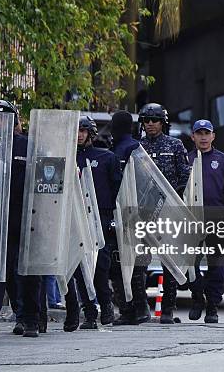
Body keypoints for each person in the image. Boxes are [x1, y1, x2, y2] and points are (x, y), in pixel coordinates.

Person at [0, 99, 45, 339]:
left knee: (27, 271)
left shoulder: (29, 146)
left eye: (0, 119)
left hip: (27, 216)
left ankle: (30, 319)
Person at [63, 116, 121, 331]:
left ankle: (106, 305)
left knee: (100, 265)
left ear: (91, 133)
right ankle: (88, 312)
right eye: (76, 131)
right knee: (78, 267)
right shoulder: (66, 158)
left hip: (100, 216)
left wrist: (114, 219)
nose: (79, 135)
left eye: (83, 130)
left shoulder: (106, 157)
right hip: (74, 217)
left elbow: (118, 190)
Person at [138, 103, 190, 325]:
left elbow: (185, 178)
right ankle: (140, 309)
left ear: (163, 122)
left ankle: (168, 309)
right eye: (147, 120)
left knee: (169, 261)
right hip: (144, 212)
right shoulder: (137, 148)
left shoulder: (175, 145)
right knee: (139, 261)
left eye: (155, 120)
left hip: (169, 211)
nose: (150, 124)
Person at [186, 119, 224, 323]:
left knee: (217, 266)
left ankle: (212, 307)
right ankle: (197, 298)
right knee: (190, 264)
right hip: (190, 221)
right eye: (199, 133)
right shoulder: (185, 159)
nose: (203, 137)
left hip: (217, 221)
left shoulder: (223, 160)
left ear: (213, 136)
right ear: (193, 137)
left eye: (206, 133)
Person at [108, 110, 147, 325]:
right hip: (129, 214)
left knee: (129, 265)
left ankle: (134, 309)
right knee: (127, 264)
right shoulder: (130, 148)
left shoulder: (129, 149)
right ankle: (132, 310)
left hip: (129, 214)